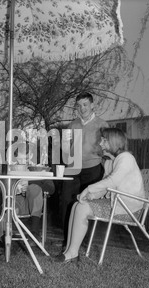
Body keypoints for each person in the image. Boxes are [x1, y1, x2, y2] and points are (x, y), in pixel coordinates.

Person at [56, 127, 145, 263]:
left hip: (128, 207)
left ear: (114, 142)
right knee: (76, 205)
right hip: (116, 202)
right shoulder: (110, 162)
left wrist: (89, 189)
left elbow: (113, 181)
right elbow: (106, 187)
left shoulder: (126, 158)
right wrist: (92, 196)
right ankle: (69, 249)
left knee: (82, 208)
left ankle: (73, 252)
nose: (100, 143)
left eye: (104, 140)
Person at [59, 92, 109, 250]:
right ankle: (67, 241)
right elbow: (65, 149)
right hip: (73, 169)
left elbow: (108, 148)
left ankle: (84, 242)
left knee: (87, 205)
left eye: (85, 104)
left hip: (93, 169)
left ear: (92, 105)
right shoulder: (72, 125)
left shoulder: (102, 125)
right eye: (79, 105)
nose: (82, 108)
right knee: (67, 202)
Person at [14, 142, 55, 238]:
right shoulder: (11, 168)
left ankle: (34, 233)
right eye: (19, 159)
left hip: (34, 205)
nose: (22, 162)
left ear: (31, 155)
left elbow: (51, 189)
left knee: (34, 188)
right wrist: (15, 187)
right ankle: (6, 238)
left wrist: (30, 182)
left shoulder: (39, 169)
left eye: (26, 159)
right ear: (15, 157)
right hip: (15, 202)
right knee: (10, 202)